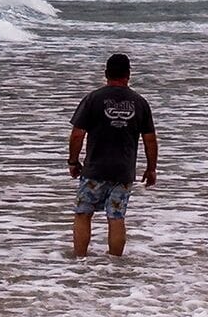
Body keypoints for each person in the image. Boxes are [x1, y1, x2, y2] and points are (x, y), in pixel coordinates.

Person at [68, 52, 158, 257]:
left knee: (83, 213)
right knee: (116, 217)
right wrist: (151, 168)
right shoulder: (140, 102)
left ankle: (79, 259)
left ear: (106, 73)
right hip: (123, 172)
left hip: (94, 169)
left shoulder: (93, 99)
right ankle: (115, 264)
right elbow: (150, 139)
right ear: (128, 74)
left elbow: (77, 135)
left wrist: (73, 162)